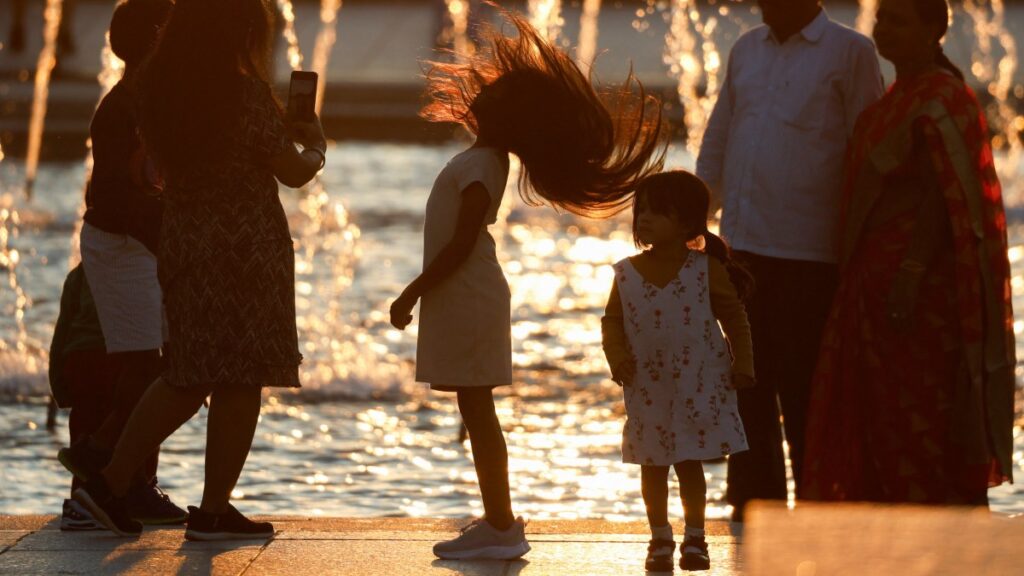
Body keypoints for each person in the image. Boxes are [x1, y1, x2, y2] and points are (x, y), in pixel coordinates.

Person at [389, 10, 666, 560]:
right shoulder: (483, 160)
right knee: (475, 411)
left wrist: (411, 291)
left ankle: (501, 525)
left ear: (508, 118)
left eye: (495, 95)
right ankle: (498, 520)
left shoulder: (482, 165)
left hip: (467, 294)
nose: (483, 92)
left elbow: (462, 242)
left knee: (478, 411)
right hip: (464, 294)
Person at [72, 0, 327, 539]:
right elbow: (293, 171)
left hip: (186, 243)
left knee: (188, 372)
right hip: (246, 250)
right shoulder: (245, 96)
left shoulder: (155, 93)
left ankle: (112, 484)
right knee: (241, 377)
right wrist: (315, 145)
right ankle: (205, 508)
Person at [801, 0, 1015, 504]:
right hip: (869, 287)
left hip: (922, 295)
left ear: (934, 29)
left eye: (898, 20)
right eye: (881, 18)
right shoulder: (894, 99)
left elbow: (947, 198)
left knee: (921, 417)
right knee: (874, 417)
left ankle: (936, 533)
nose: (884, 29)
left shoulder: (945, 98)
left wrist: (912, 271)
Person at [695, 0, 884, 519]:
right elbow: (719, 138)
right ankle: (755, 508)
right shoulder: (746, 49)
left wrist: (865, 247)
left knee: (807, 391)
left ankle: (819, 507)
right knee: (746, 384)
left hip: (812, 254)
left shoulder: (850, 52)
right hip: (742, 248)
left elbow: (868, 150)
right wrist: (695, 220)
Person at [56, 0, 186, 528]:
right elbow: (111, 196)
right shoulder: (119, 110)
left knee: (171, 365)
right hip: (123, 247)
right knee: (149, 366)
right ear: (156, 41)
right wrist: (164, 236)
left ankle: (128, 478)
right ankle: (101, 463)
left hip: (146, 244)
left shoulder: (155, 101)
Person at [601, 171, 753, 572]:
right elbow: (612, 322)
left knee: (689, 463)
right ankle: (660, 538)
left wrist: (744, 363)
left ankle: (696, 538)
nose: (644, 219)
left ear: (686, 223)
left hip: (696, 385)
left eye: (657, 212)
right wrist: (617, 357)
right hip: (647, 387)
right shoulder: (627, 273)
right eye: (642, 211)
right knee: (651, 465)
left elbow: (734, 319)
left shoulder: (705, 269)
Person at [49, 265, 162, 530]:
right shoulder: (140, 267)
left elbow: (61, 332)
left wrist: (58, 384)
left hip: (79, 361)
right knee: (139, 425)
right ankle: (138, 495)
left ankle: (79, 507)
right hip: (122, 359)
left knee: (85, 436)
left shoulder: (79, 275)